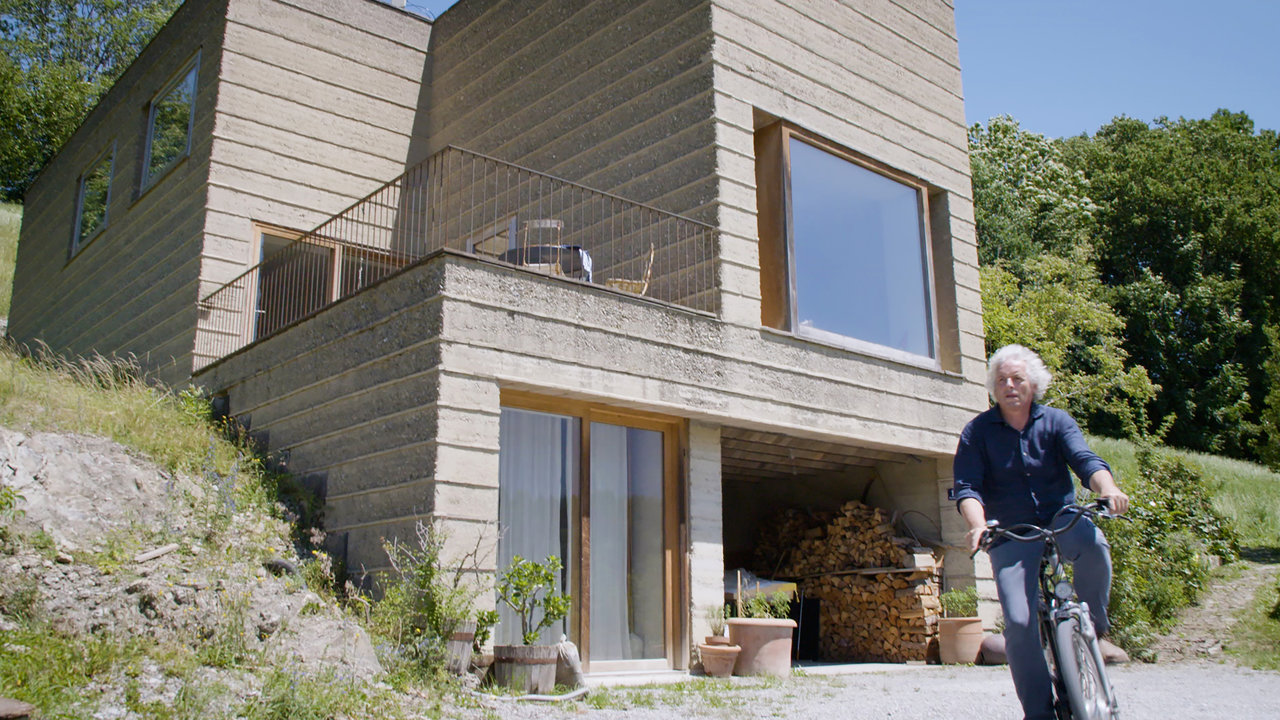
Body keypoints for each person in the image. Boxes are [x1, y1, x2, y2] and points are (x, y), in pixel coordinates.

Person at [952, 344, 1129, 720]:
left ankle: (1096, 630)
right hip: (1011, 533)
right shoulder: (977, 433)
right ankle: (1038, 712)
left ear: (1033, 384)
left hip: (1061, 519)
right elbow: (967, 488)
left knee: (1094, 545)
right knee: (1018, 624)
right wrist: (978, 525)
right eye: (1001, 380)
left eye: (1017, 379)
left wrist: (1108, 489)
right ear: (993, 388)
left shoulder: (1057, 421)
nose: (1009, 385)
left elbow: (1085, 461)